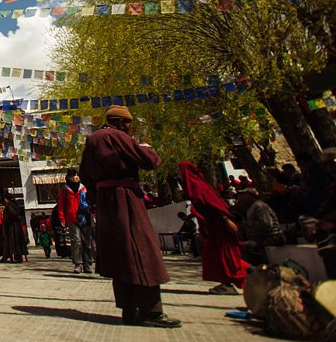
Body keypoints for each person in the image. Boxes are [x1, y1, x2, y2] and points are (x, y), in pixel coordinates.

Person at [79, 106, 181, 328]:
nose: (129, 128)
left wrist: (99, 197)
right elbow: (149, 161)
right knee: (142, 251)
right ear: (119, 122)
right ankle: (151, 312)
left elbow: (84, 174)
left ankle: (129, 309)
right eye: (128, 124)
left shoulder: (93, 140)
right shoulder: (117, 137)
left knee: (120, 255)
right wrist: (147, 148)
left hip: (106, 202)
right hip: (126, 198)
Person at [179, 161, 247, 295]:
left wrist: (225, 220)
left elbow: (214, 205)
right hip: (212, 228)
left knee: (225, 254)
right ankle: (225, 282)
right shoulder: (194, 187)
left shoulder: (198, 186)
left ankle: (231, 281)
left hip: (219, 226)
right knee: (217, 255)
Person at [235, 187, 285, 264]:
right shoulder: (252, 207)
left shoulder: (259, 206)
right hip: (263, 238)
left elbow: (266, 224)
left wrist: (248, 224)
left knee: (247, 248)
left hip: (272, 238)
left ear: (251, 196)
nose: (242, 197)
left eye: (244, 195)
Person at [58, 168, 94, 274]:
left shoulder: (84, 188)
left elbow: (91, 201)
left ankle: (87, 264)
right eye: (73, 176)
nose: (76, 177)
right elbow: (61, 205)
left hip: (85, 217)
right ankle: (78, 264)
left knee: (87, 242)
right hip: (72, 218)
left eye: (77, 175)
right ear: (69, 178)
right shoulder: (65, 190)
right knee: (76, 241)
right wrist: (62, 218)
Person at [0, 194, 29, 263]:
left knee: (12, 241)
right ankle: (18, 256)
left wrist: (6, 219)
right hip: (16, 226)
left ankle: (11, 255)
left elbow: (12, 215)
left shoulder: (9, 206)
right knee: (17, 241)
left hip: (12, 226)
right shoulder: (15, 205)